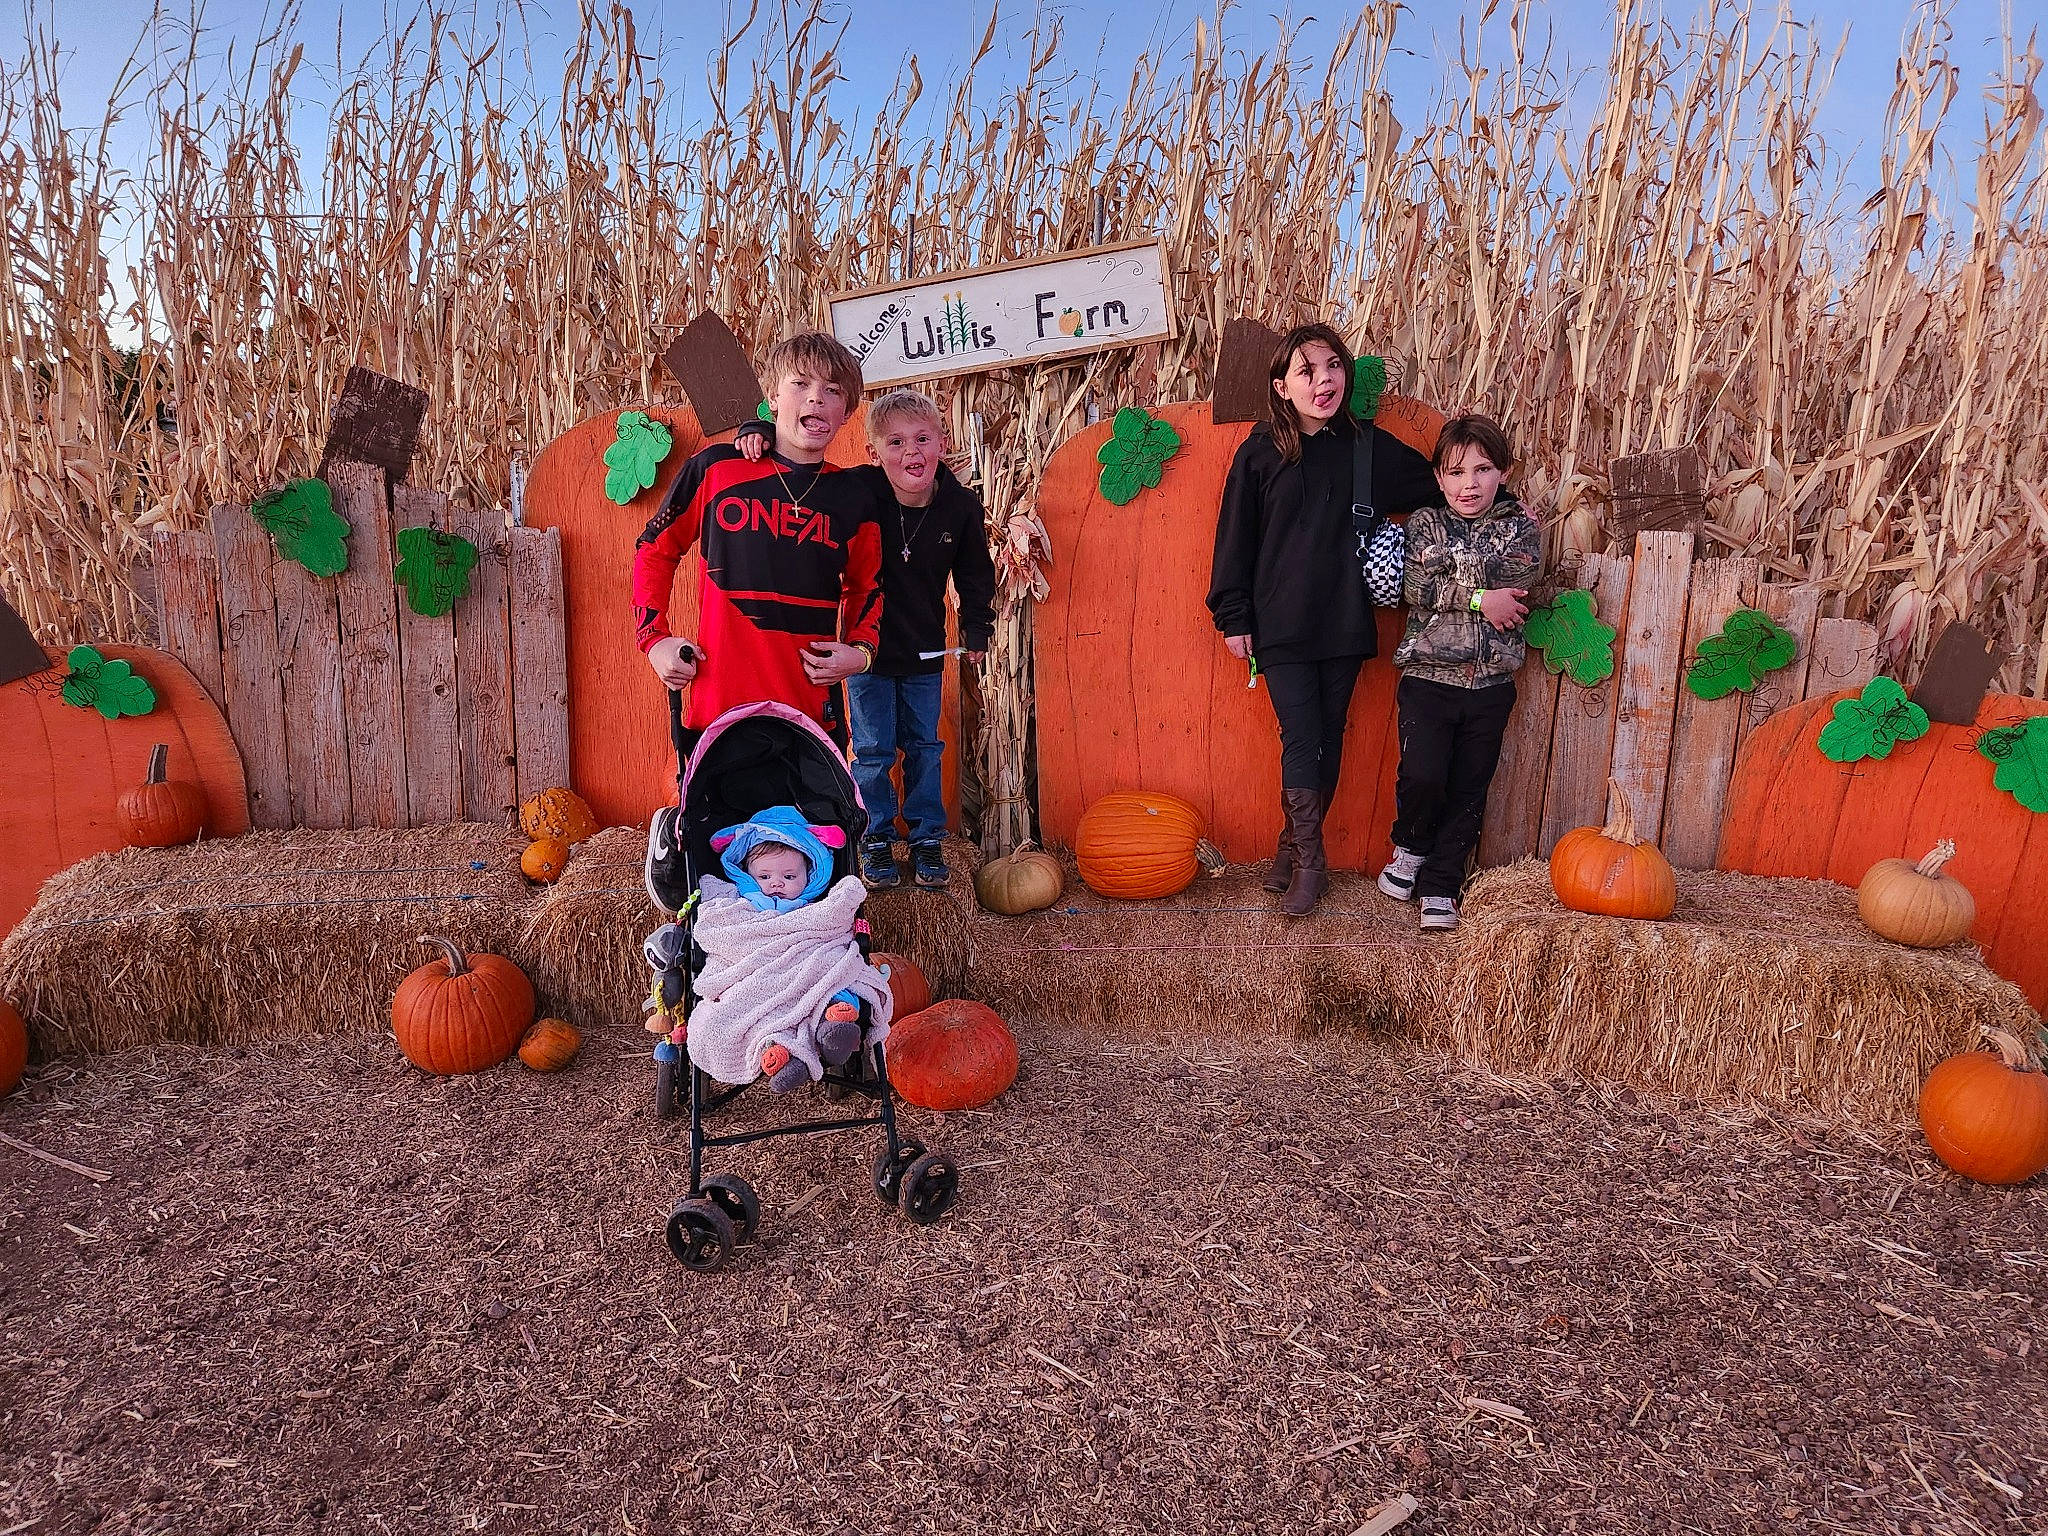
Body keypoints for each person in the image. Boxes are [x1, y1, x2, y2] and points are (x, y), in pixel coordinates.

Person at [1206, 323, 1437, 916]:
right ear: (1282, 387)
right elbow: (1234, 540)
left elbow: (1442, 484)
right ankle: (1312, 864)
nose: (1324, 380)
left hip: (1343, 618)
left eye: (1332, 366)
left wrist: (1504, 504)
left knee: (1328, 737)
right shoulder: (1260, 453)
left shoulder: (1366, 446)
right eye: (1307, 372)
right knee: (1302, 736)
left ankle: (1290, 847)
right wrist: (1233, 615)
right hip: (1279, 622)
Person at [737, 389, 995, 890]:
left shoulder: (960, 506)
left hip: (924, 649)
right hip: (863, 652)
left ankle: (925, 837)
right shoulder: (858, 490)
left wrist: (977, 624)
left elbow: (975, 571)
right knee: (874, 749)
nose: (911, 453)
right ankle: (874, 836)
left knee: (925, 745)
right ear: (875, 454)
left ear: (943, 442)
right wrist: (763, 432)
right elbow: (801, 475)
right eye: (896, 443)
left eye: (923, 439)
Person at [631, 333, 884, 741]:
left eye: (832, 391)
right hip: (717, 711)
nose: (816, 398)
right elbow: (654, 550)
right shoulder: (716, 469)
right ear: (773, 395)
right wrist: (654, 640)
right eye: (800, 383)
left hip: (811, 716)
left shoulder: (854, 497)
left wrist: (861, 653)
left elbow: (867, 587)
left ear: (845, 413)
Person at [1377, 414, 1541, 931]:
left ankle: (1442, 884)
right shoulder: (1424, 523)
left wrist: (1452, 565)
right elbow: (1416, 588)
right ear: (1438, 478)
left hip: (1490, 683)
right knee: (1423, 774)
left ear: (1503, 472)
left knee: (1470, 785)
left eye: (1482, 470)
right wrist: (1479, 596)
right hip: (1429, 676)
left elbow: (1518, 574)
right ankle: (1410, 848)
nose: (1468, 485)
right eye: (1455, 473)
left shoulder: (1522, 529)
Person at [681, 806, 894, 1092]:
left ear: (810, 875)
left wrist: (843, 900)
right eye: (764, 877)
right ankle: (782, 1051)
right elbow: (718, 929)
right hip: (751, 969)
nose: (777, 883)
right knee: (730, 1009)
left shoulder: (815, 908)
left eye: (790, 877)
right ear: (745, 874)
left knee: (836, 976)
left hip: (808, 956)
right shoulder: (737, 904)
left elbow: (835, 920)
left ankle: (832, 1025)